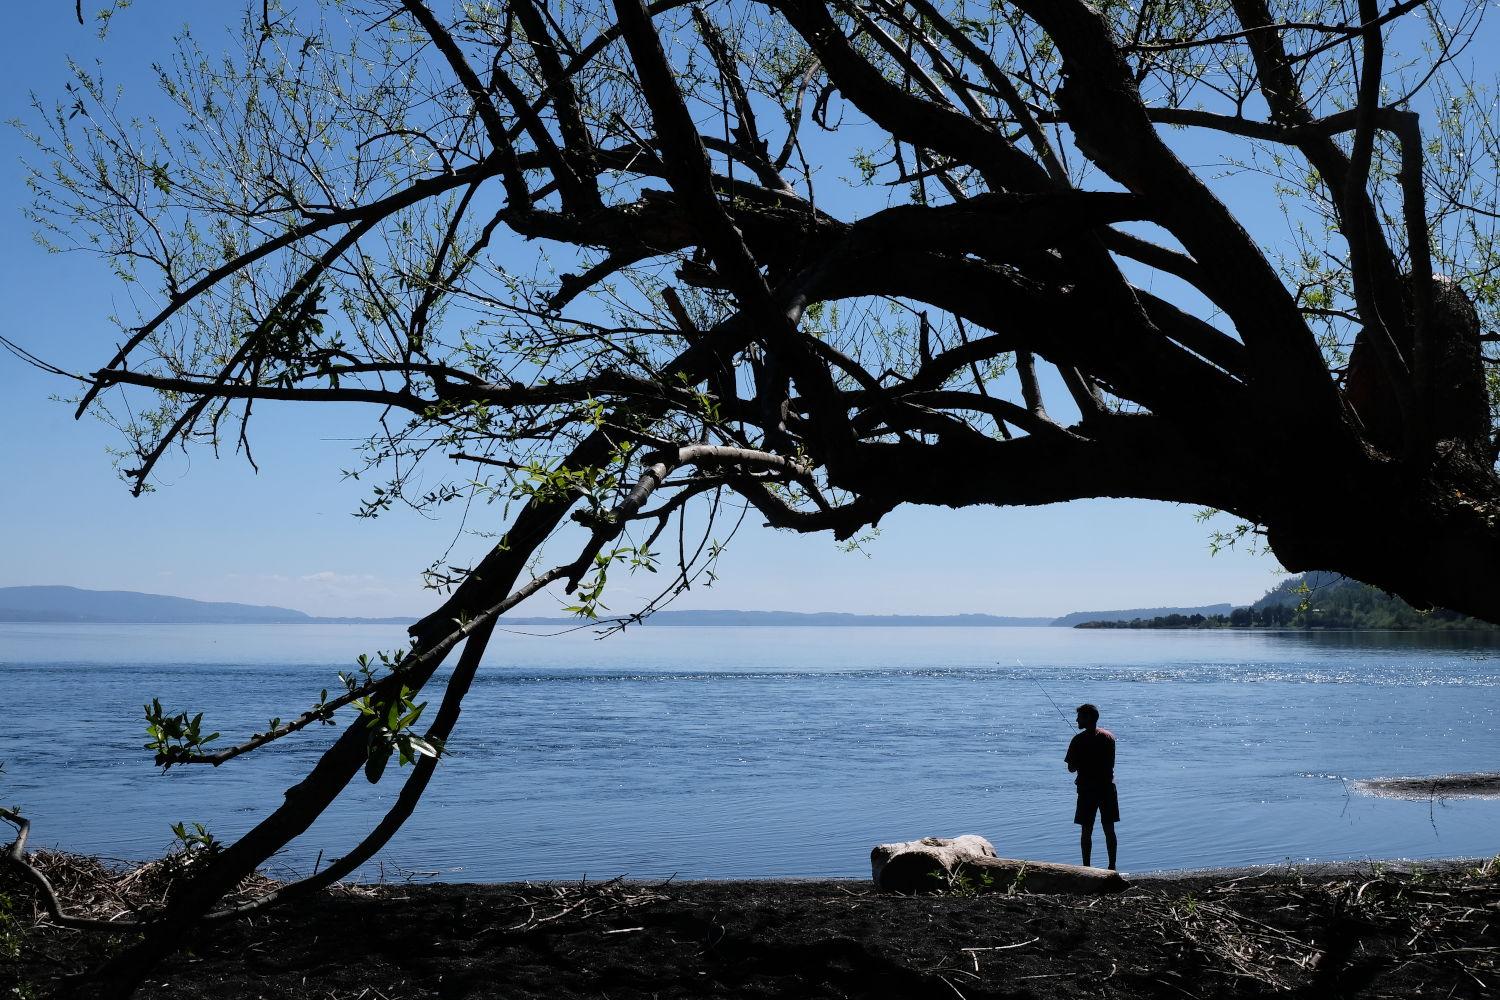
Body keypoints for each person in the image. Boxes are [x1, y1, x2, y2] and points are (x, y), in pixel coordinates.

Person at [1065, 703, 1118, 870]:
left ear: (1088, 718)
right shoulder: (1109, 737)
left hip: (1087, 790)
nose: (1076, 720)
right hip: (1107, 788)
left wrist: (1081, 759)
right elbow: (1109, 763)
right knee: (1109, 829)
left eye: (1080, 717)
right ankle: (1112, 867)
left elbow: (1071, 768)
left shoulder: (1078, 740)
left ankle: (1086, 867)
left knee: (1086, 830)